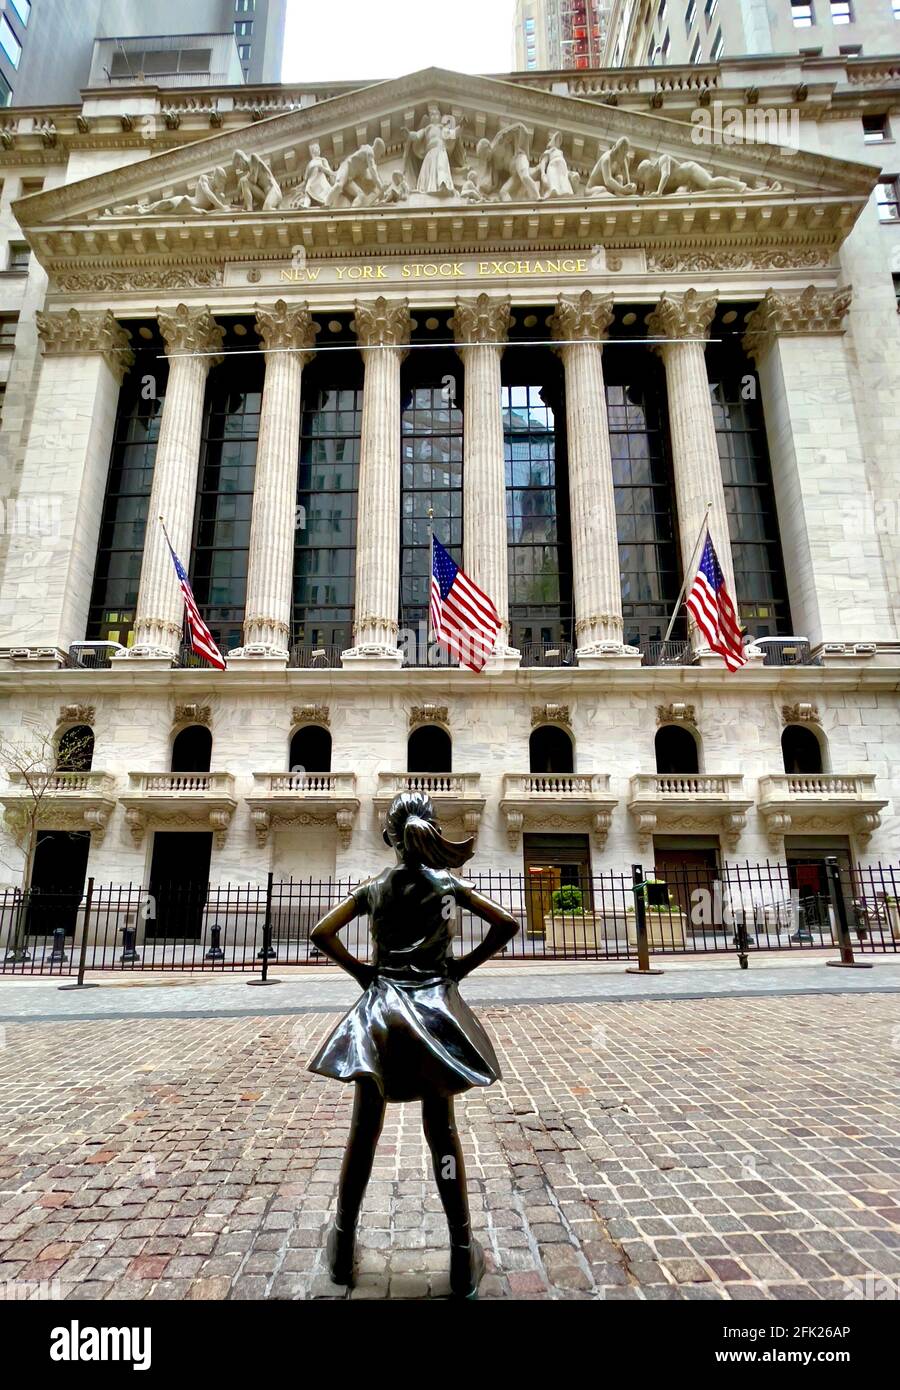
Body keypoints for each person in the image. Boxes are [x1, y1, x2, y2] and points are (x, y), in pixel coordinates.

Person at [307, 791, 519, 1298]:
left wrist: (365, 974)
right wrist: (458, 970)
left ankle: (341, 1247)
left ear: (390, 838)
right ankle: (462, 1256)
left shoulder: (376, 887)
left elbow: (321, 933)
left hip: (381, 1013)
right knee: (441, 1133)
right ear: (429, 830)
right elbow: (506, 925)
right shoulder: (446, 884)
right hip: (433, 1015)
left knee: (364, 1133)